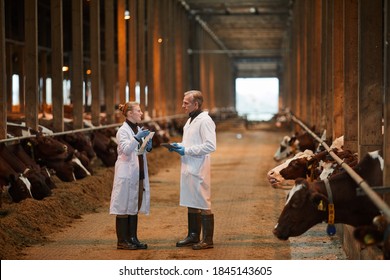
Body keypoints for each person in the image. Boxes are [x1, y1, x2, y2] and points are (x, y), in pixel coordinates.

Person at [170, 90, 217, 250]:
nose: (183, 106)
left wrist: (187, 151)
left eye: (186, 103)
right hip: (188, 166)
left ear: (196, 104)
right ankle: (193, 235)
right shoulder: (190, 120)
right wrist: (179, 146)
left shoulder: (205, 120)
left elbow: (210, 145)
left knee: (203, 202)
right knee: (191, 201)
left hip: (199, 166)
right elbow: (190, 142)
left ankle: (207, 240)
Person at [109, 101, 153, 250]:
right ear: (129, 113)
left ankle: (133, 238)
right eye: (139, 111)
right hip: (126, 173)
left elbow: (138, 151)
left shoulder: (137, 128)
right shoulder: (122, 131)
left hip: (137, 172)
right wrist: (137, 138)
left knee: (134, 204)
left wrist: (147, 145)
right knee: (123, 205)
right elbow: (127, 150)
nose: (141, 113)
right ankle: (122, 241)